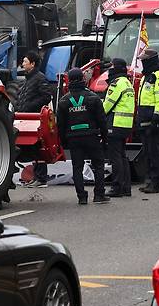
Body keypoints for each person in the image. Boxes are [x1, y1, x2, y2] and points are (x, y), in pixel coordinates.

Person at [56, 68, 109, 205]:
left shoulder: (63, 101)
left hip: (73, 138)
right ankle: (99, 195)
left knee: (77, 167)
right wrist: (104, 137)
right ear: (83, 79)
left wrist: (64, 141)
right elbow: (102, 120)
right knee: (98, 165)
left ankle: (82, 197)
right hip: (91, 136)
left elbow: (60, 125)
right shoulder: (93, 98)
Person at [16, 50, 52, 188]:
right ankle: (36, 177)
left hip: (36, 118)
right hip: (27, 118)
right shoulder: (28, 79)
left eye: (25, 61)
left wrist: (30, 107)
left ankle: (41, 178)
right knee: (33, 148)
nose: (23, 64)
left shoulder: (40, 78)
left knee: (39, 147)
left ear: (33, 63)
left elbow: (46, 96)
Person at [135, 49, 159, 193]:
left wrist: (156, 118)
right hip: (144, 117)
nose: (142, 62)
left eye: (144, 60)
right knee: (148, 152)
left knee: (154, 152)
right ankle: (150, 181)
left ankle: (157, 183)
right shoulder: (146, 76)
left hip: (152, 119)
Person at [102, 58, 134, 198]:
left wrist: (98, 116)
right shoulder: (127, 82)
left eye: (112, 66)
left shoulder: (116, 83)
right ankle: (126, 187)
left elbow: (107, 105)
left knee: (115, 157)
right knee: (122, 156)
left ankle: (117, 187)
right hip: (125, 124)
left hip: (115, 123)